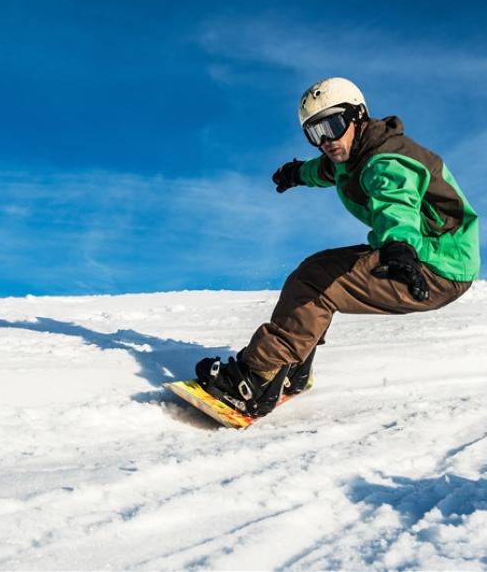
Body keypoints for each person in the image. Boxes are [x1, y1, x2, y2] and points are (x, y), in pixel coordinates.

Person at [196, 77, 480, 418]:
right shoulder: (352, 152)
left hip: (431, 265)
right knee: (312, 270)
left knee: (317, 281)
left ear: (358, 117)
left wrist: (399, 246)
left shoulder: (387, 161)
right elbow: (327, 170)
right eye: (314, 134)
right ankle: (292, 368)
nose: (326, 141)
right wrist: (296, 173)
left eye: (333, 125)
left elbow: (396, 204)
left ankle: (255, 378)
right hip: (420, 255)